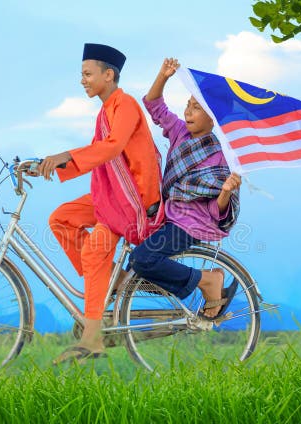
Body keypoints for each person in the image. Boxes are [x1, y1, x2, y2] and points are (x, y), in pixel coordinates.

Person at [37, 43, 163, 363]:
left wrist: (65, 156)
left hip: (132, 199)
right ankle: (115, 279)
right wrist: (42, 165)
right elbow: (99, 156)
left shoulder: (127, 105)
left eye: (88, 74)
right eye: (82, 75)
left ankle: (92, 338)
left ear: (109, 75)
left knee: (94, 250)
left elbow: (111, 147)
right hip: (111, 195)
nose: (83, 80)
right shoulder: (105, 110)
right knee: (61, 218)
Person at [129, 58, 241, 320]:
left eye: (196, 108)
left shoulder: (221, 155)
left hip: (192, 225)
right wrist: (163, 76)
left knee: (142, 260)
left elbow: (218, 210)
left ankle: (208, 282)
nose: (188, 113)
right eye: (187, 106)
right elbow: (154, 106)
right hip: (168, 217)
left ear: (212, 117)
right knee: (135, 269)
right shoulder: (180, 132)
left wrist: (225, 192)